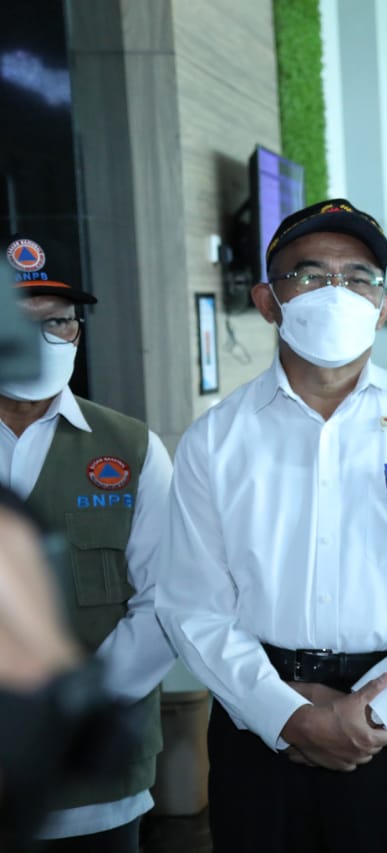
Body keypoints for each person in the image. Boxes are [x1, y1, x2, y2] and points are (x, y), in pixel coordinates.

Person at [157, 199, 387, 852]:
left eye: (358, 277)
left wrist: (375, 706)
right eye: (309, 274)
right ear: (268, 300)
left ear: (383, 306)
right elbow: (192, 602)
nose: (337, 293)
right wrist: (288, 715)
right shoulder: (215, 440)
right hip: (256, 722)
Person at [0, 235, 175, 852]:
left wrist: (71, 710)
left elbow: (163, 603)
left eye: (58, 323)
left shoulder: (132, 449)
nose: (44, 339)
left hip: (96, 786)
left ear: (77, 332)